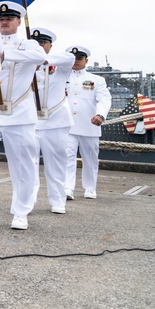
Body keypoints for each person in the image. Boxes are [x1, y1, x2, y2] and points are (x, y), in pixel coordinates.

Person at [0, 1, 47, 231]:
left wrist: (4, 55)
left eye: (9, 18)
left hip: (19, 114)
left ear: (19, 21)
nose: (4, 22)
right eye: (0, 19)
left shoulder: (28, 44)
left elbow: (39, 56)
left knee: (22, 166)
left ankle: (21, 211)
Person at [30, 28, 75, 214]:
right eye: (36, 43)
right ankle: (27, 202)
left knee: (56, 163)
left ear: (50, 46)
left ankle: (57, 200)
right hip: (31, 121)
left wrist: (42, 59)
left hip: (55, 121)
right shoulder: (25, 65)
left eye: (43, 43)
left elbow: (70, 58)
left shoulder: (59, 64)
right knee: (28, 164)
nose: (40, 46)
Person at [65, 46, 111, 200]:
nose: (76, 61)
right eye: (73, 58)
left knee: (90, 159)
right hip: (68, 125)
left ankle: (90, 188)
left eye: (79, 58)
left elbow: (104, 99)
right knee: (67, 157)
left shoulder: (97, 80)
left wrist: (100, 114)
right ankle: (67, 188)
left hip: (89, 125)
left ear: (86, 61)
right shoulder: (60, 77)